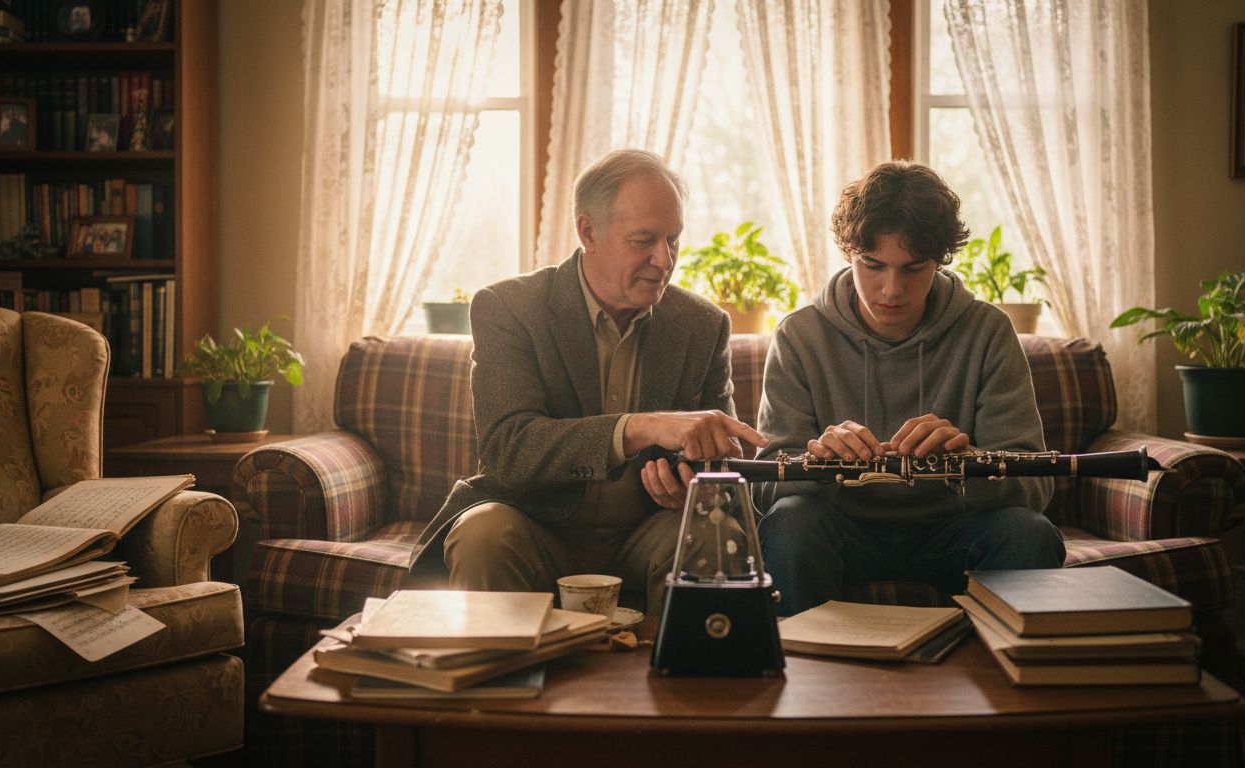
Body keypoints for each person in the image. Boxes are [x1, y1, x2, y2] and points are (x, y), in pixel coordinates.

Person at [408, 148, 766, 617]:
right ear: (588, 231)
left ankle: (683, 685)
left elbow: (722, 461)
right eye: (644, 240)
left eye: (673, 239)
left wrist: (697, 483)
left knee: (716, 531)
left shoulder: (702, 325)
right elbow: (508, 449)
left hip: (648, 529)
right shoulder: (509, 307)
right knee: (482, 534)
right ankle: (499, 687)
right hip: (534, 522)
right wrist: (639, 428)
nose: (664, 259)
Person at [754, 161, 1064, 616]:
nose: (890, 290)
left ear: (939, 258)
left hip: (956, 533)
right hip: (840, 532)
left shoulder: (988, 331)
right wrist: (819, 466)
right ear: (848, 254)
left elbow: (1036, 488)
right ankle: (800, 680)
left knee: (1028, 531)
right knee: (790, 523)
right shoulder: (799, 335)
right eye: (872, 265)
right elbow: (765, 489)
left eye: (913, 268)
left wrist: (967, 465)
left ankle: (1016, 682)